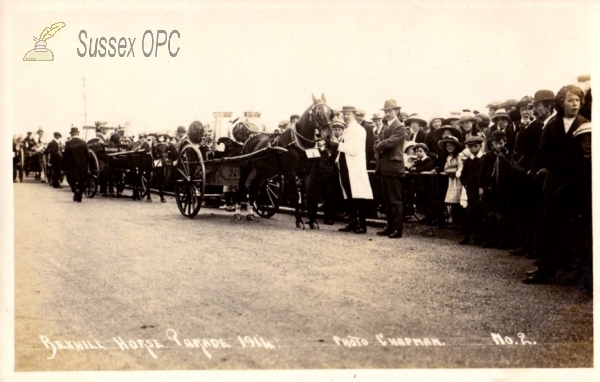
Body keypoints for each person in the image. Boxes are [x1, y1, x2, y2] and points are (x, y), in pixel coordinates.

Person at [524, 84, 590, 283]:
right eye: (570, 100)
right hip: (553, 182)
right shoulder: (552, 125)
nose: (574, 104)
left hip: (576, 183)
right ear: (562, 102)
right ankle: (545, 268)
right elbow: (542, 153)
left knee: (574, 226)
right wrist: (561, 165)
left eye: (577, 100)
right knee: (547, 225)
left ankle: (573, 271)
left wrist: (572, 169)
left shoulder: (585, 124)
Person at [509, 90, 554, 257]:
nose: (525, 112)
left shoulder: (538, 126)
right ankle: (524, 244)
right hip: (521, 173)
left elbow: (535, 151)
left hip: (530, 173)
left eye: (528, 108)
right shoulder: (524, 126)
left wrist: (530, 170)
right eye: (522, 109)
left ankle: (531, 247)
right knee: (523, 209)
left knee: (532, 210)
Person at [326, 106, 373, 234]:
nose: (346, 116)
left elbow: (355, 149)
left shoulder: (359, 130)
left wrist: (338, 145)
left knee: (358, 195)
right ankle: (352, 222)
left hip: (354, 167)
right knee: (349, 195)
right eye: (344, 114)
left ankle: (362, 225)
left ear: (354, 115)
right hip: (345, 166)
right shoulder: (347, 130)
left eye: (349, 114)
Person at [374, 99, 405, 238]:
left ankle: (398, 229)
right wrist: (379, 144)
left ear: (396, 111)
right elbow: (378, 142)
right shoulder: (386, 126)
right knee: (387, 199)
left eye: (390, 111)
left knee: (395, 200)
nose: (387, 113)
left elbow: (389, 143)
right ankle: (390, 226)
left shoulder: (400, 126)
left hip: (393, 166)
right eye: (386, 111)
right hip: (384, 166)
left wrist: (379, 145)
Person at [479, 130, 511, 249]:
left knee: (501, 215)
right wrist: (481, 187)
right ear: (492, 143)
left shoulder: (508, 155)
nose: (499, 146)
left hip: (503, 190)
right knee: (490, 215)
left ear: (505, 142)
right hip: (490, 188)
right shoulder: (488, 156)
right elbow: (482, 172)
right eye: (496, 143)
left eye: (501, 143)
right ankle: (491, 239)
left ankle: (503, 241)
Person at [458, 136, 485, 245]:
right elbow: (463, 174)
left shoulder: (484, 158)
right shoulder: (468, 160)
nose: (473, 149)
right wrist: (466, 184)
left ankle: (479, 237)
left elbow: (485, 175)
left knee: (480, 213)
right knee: (470, 212)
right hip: (471, 190)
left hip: (481, 190)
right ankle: (467, 236)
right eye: (470, 147)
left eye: (475, 146)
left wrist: (482, 187)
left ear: (480, 146)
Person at [439, 136, 464, 226]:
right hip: (451, 180)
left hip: (458, 180)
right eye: (447, 146)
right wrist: (450, 171)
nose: (449, 147)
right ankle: (455, 220)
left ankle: (461, 222)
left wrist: (455, 172)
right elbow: (446, 168)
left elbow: (461, 167)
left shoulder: (459, 156)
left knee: (459, 199)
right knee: (453, 200)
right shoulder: (449, 157)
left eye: (451, 145)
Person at [62, 127, 89, 202]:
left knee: (70, 179)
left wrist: (64, 167)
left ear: (71, 134)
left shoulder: (68, 143)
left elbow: (65, 156)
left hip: (72, 165)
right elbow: (88, 155)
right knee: (81, 180)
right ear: (78, 134)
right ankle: (79, 193)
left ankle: (75, 189)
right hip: (83, 165)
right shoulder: (83, 143)